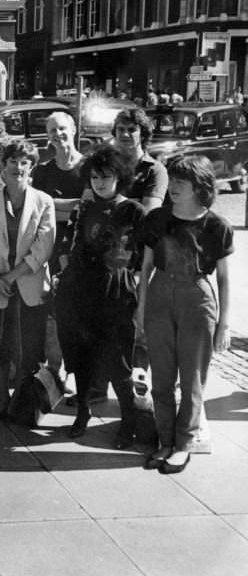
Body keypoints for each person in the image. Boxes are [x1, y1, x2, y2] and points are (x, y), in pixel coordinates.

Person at [138, 155, 233, 474]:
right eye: (172, 180)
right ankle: (165, 440)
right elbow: (146, 267)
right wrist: (141, 308)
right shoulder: (156, 220)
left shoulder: (216, 225)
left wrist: (224, 323)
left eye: (181, 182)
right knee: (161, 378)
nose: (173, 187)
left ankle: (183, 445)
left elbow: (223, 277)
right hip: (160, 296)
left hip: (197, 299)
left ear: (199, 186)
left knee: (192, 379)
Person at [54, 145, 144, 444]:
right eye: (94, 176)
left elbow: (144, 257)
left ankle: (129, 420)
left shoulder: (132, 210)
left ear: (119, 176)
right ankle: (83, 410)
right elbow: (68, 244)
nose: (99, 182)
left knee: (117, 361)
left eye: (106, 176)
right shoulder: (83, 207)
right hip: (79, 290)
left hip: (115, 293)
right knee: (80, 356)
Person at [0, 140, 56, 419]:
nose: (18, 167)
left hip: (27, 286)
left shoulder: (43, 202)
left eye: (24, 162)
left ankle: (23, 399)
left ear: (31, 167)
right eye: (12, 161)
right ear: (4, 165)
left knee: (26, 349)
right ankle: (2, 396)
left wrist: (12, 275)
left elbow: (43, 248)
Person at [32, 111, 85, 263]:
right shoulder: (42, 171)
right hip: (49, 247)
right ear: (48, 135)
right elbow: (37, 212)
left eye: (62, 128)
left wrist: (49, 203)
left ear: (74, 130)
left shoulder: (89, 168)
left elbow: (88, 207)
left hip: (80, 247)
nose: (58, 133)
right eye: (52, 130)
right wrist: (74, 210)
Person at [109, 108, 168, 212]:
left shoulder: (155, 170)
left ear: (143, 135)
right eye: (121, 129)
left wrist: (116, 201)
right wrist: (134, 202)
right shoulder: (105, 164)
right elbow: (88, 203)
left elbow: (149, 212)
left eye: (132, 130)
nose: (125, 134)